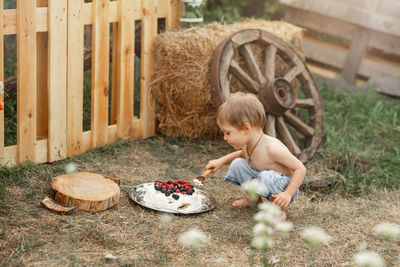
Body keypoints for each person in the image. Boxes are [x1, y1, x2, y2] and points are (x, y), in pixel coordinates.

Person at [205, 92, 306, 221]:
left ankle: (277, 212)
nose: (225, 138)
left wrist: (287, 194)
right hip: (264, 178)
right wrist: (221, 161)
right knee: (237, 164)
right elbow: (241, 154)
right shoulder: (249, 145)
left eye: (228, 133)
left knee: (266, 176)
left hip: (283, 186)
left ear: (246, 127)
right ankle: (255, 201)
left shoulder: (272, 148)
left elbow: (300, 168)